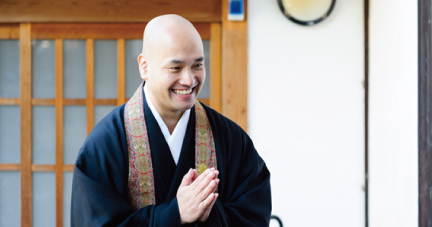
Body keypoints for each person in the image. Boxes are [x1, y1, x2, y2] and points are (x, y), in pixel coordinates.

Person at [71, 14, 271, 226]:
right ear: (144, 66)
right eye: (175, 68)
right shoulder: (105, 145)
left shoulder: (230, 139)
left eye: (197, 65)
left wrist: (206, 212)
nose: (189, 80)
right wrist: (175, 213)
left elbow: (254, 215)